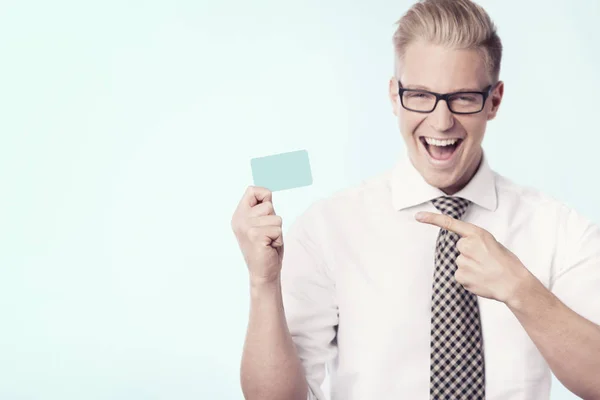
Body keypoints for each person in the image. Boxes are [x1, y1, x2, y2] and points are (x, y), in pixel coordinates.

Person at [230, 0, 600, 399]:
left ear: (494, 101)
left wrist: (523, 292)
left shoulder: (559, 230)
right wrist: (263, 283)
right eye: (421, 96)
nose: (441, 122)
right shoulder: (328, 228)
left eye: (463, 98)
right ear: (394, 96)